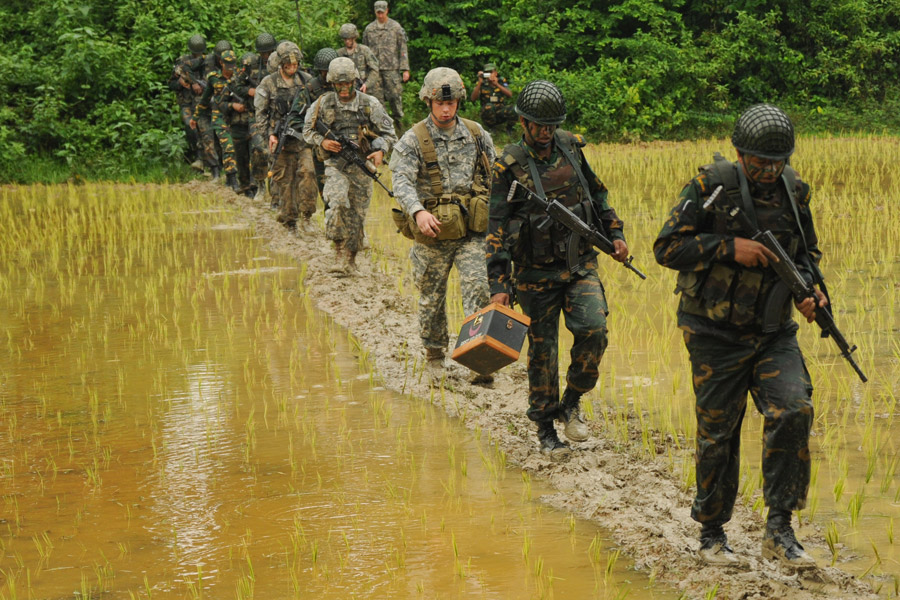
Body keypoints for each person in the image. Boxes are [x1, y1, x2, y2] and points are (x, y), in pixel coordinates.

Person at [653, 103, 822, 569]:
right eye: (759, 162)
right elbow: (666, 247)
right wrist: (729, 247)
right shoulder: (710, 185)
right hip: (713, 332)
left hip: (773, 333)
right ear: (739, 153)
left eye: (777, 162)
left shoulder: (794, 191)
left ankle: (779, 530)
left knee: (794, 410)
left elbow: (806, 255)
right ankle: (711, 533)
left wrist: (815, 293)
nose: (768, 171)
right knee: (718, 435)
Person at [486, 80, 629, 457]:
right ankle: (546, 427)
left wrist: (614, 232)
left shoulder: (570, 146)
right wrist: (498, 283)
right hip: (534, 276)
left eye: (551, 125)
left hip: (580, 264)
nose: (546, 132)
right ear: (523, 122)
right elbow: (496, 227)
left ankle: (572, 399)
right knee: (543, 352)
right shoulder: (509, 165)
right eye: (539, 126)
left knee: (594, 329)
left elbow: (596, 193)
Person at [389, 68, 494, 380]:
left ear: (459, 101)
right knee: (432, 296)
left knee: (479, 286)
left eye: (451, 103)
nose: (446, 109)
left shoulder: (477, 135)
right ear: (429, 102)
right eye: (439, 104)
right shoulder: (412, 140)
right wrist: (418, 211)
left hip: (471, 231)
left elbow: (496, 178)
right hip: (431, 231)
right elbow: (402, 181)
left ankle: (479, 358)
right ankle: (435, 354)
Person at [303, 57, 396, 274]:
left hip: (362, 166)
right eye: (339, 85)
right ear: (332, 84)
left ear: (354, 81)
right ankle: (338, 254)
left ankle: (351, 259)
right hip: (335, 165)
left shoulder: (369, 104)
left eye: (347, 84)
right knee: (335, 204)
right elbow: (307, 130)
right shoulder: (322, 103)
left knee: (357, 215)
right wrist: (323, 141)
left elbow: (390, 134)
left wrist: (380, 150)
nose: (344, 89)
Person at [254, 42, 318, 230]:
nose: (292, 68)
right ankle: (289, 221)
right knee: (285, 182)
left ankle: (307, 216)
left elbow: (317, 107)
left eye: (295, 64)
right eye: (288, 65)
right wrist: (269, 137)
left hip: (303, 139)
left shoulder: (306, 80)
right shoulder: (268, 83)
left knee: (308, 174)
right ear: (280, 64)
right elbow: (260, 114)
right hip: (280, 140)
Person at [190, 50, 240, 191]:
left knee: (236, 148)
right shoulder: (213, 78)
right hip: (219, 117)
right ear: (221, 63)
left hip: (236, 117)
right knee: (227, 146)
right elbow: (205, 100)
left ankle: (235, 178)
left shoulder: (239, 77)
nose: (231, 67)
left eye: (233, 64)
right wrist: (195, 117)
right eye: (228, 64)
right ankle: (232, 178)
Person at [362, 0, 409, 131]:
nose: (380, 15)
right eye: (378, 12)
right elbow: (365, 50)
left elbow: (403, 48)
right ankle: (383, 127)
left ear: (387, 10)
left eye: (382, 12)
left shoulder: (395, 27)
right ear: (375, 12)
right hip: (374, 70)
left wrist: (405, 69)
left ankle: (399, 124)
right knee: (377, 99)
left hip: (392, 68)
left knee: (395, 97)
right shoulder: (369, 29)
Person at [246, 33, 277, 201]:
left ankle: (275, 191)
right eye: (263, 53)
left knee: (275, 153)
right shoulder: (251, 65)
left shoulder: (281, 64)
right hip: (257, 115)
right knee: (258, 149)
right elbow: (235, 85)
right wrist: (248, 91)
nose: (266, 56)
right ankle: (259, 185)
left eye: (269, 52)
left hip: (276, 115)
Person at [168, 34, 206, 170]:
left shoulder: (206, 62)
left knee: (206, 129)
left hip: (202, 103)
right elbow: (170, 84)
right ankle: (196, 158)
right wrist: (180, 83)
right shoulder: (182, 63)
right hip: (186, 103)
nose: (197, 54)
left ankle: (206, 160)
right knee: (190, 127)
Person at [308, 48, 340, 200]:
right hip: (320, 145)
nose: (326, 76)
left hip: (342, 143)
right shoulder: (310, 88)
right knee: (325, 190)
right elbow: (299, 118)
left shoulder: (345, 86)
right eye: (323, 72)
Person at [470, 63, 515, 134]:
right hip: (488, 113)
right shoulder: (483, 83)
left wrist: (497, 84)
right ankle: (491, 128)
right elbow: (473, 98)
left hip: (500, 111)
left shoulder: (501, 81)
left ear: (495, 73)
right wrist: (479, 83)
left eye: (491, 72)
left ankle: (509, 128)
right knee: (489, 106)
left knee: (513, 109)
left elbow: (510, 95)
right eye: (487, 72)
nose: (489, 74)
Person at [337, 24, 380, 95]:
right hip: (346, 91)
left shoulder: (364, 50)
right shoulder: (340, 53)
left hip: (364, 89)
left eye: (349, 38)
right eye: (345, 39)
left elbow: (374, 70)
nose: (347, 41)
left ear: (354, 37)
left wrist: (367, 84)